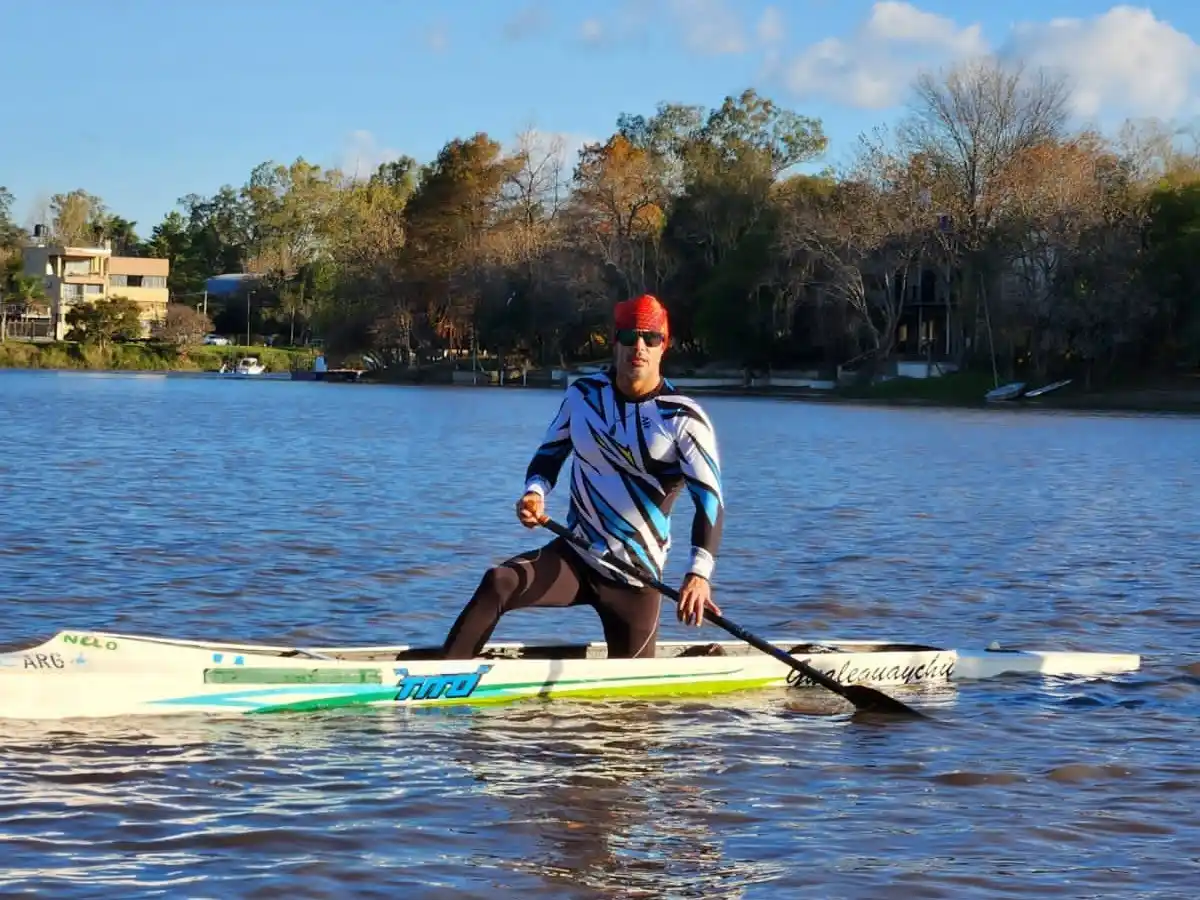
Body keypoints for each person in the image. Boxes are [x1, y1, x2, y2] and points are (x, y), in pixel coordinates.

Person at [442, 293, 725, 660]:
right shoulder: (583, 396)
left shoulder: (683, 418)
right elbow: (549, 454)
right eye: (628, 337)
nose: (638, 347)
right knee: (500, 581)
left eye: (650, 338)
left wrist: (698, 574)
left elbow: (710, 502)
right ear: (614, 342)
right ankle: (437, 678)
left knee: (632, 709)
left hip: (635, 577)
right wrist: (535, 492)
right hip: (575, 555)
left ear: (663, 345)